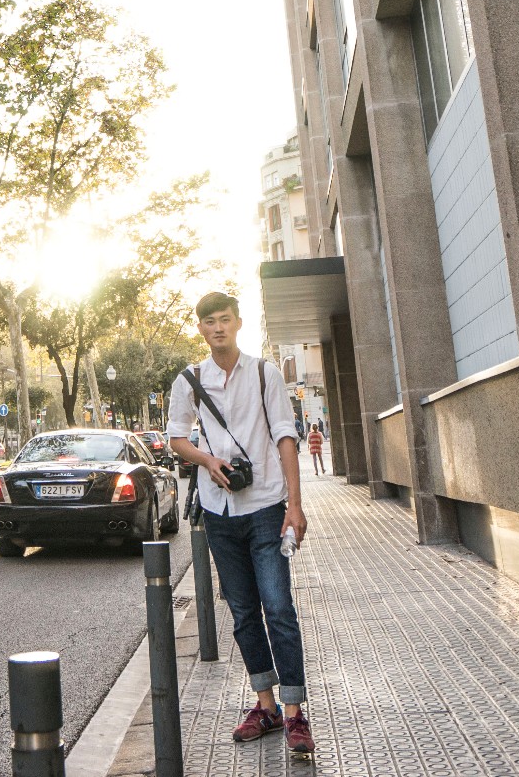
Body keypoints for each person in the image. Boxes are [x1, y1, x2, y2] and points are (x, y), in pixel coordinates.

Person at [167, 291, 314, 761]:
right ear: (201, 329)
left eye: (224, 319)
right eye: (208, 321)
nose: (217, 328)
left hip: (267, 505)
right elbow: (175, 439)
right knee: (245, 613)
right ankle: (265, 705)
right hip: (218, 512)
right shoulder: (189, 381)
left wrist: (295, 504)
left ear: (238, 322)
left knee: (279, 608)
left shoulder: (263, 372)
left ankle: (295, 713)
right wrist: (207, 459)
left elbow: (285, 437)